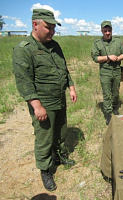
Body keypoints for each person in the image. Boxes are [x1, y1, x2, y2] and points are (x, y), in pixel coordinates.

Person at [12, 9, 77, 191]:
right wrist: (37, 105)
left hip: (59, 98)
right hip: (43, 102)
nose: (52, 31)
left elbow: (64, 68)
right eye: (48, 27)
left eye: (54, 28)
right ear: (35, 25)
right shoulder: (24, 49)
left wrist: (70, 87)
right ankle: (45, 169)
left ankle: (58, 155)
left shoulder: (55, 46)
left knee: (61, 130)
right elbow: (24, 81)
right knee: (44, 137)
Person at [91, 20, 123, 125]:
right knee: (107, 93)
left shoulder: (118, 41)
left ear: (112, 30)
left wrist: (117, 58)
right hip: (105, 71)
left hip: (116, 70)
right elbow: (95, 58)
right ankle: (108, 113)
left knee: (115, 91)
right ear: (101, 31)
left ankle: (115, 107)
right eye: (105, 31)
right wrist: (107, 57)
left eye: (109, 30)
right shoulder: (97, 43)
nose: (107, 33)